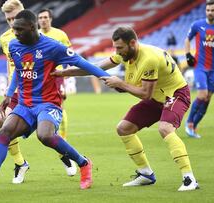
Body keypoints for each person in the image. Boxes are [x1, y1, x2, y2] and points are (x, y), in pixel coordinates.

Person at [0, 9, 110, 195]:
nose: (15, 33)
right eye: (14, 29)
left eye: (20, 29)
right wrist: (9, 93)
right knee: (4, 132)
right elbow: (18, 70)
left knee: (45, 135)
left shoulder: (53, 47)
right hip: (24, 103)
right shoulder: (15, 46)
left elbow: (82, 62)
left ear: (32, 28)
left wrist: (108, 77)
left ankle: (84, 163)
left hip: (48, 103)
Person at [52, 27, 199, 192]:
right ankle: (146, 174)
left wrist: (120, 83)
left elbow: (145, 93)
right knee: (124, 128)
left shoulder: (149, 58)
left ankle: (189, 178)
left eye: (120, 48)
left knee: (165, 128)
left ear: (133, 43)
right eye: (115, 47)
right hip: (156, 97)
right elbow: (94, 68)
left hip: (175, 94)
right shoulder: (125, 54)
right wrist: (65, 73)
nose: (117, 51)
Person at [37, 8, 76, 176]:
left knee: (61, 105)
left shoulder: (60, 34)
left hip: (57, 75)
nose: (43, 20)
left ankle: (63, 139)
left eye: (46, 17)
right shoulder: (35, 36)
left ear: (51, 19)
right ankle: (61, 147)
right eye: (40, 18)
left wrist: (65, 78)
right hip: (39, 78)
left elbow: (69, 56)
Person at [0, 0, 29, 184]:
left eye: (15, 18)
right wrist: (9, 87)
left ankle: (70, 157)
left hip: (37, 90)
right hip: (16, 90)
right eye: (8, 19)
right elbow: (11, 65)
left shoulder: (36, 36)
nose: (11, 22)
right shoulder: (5, 38)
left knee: (46, 134)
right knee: (0, 119)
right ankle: (20, 163)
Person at [184, 0, 214, 139]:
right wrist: (188, 54)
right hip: (200, 66)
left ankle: (194, 127)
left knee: (207, 99)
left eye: (212, 10)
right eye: (208, 10)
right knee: (202, 95)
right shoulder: (197, 25)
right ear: (205, 11)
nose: (210, 12)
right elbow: (187, 39)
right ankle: (189, 121)